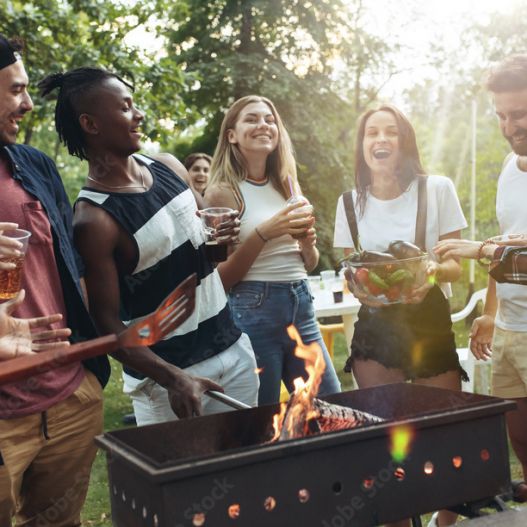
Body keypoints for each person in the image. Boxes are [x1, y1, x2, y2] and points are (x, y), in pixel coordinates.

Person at [39, 67, 259, 425]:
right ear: (91, 124)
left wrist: (224, 239)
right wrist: (173, 378)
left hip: (233, 351)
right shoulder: (94, 220)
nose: (138, 114)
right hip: (170, 382)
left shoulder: (169, 166)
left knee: (249, 472)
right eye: (125, 107)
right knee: (186, 483)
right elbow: (106, 324)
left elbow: (210, 256)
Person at [333, 104, 467, 527]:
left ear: (404, 142)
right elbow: (350, 271)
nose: (382, 139)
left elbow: (455, 267)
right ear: (363, 145)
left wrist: (428, 271)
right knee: (384, 437)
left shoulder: (436, 189)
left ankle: (443, 522)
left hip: (428, 320)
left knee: (446, 430)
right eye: (373, 133)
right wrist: (362, 286)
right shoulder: (348, 204)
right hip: (376, 325)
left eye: (391, 132)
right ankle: (400, 521)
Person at [0, 35, 110, 527]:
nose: (26, 103)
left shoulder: (36, 165)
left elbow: (73, 269)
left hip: (68, 401)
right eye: (15, 90)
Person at [205, 95, 341, 405]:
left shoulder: (287, 185)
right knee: (261, 419)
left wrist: (308, 245)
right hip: (253, 311)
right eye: (251, 119)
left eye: (269, 119)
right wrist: (265, 233)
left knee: (331, 409)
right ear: (232, 135)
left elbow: (307, 263)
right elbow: (220, 280)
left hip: (301, 305)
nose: (263, 124)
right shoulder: (222, 191)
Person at [436, 55, 527, 504]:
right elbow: (510, 243)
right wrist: (489, 313)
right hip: (510, 331)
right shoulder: (511, 169)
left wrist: (482, 250)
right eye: (502, 116)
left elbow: (502, 249)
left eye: (520, 114)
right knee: (521, 441)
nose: (510, 126)